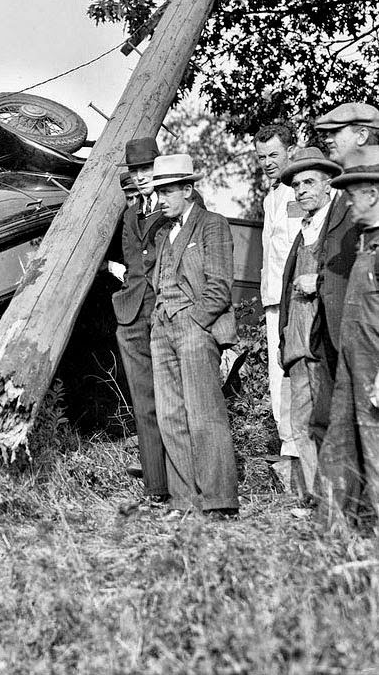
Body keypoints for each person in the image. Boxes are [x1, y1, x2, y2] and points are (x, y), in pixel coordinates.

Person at [149, 153, 239, 516]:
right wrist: (159, 322)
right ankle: (186, 501)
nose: (161, 199)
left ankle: (219, 501)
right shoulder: (160, 234)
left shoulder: (212, 224)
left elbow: (219, 286)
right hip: (161, 328)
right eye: (159, 192)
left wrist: (196, 322)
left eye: (168, 191)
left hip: (193, 326)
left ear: (188, 189)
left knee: (204, 413)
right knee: (170, 417)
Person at [309, 104, 379, 434]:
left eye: (336, 133)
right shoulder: (345, 185)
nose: (328, 141)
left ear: (363, 134)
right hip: (339, 332)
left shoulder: (370, 185)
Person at [316, 164, 379, 524]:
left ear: (372, 194)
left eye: (353, 195)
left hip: (373, 371)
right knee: (338, 446)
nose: (348, 204)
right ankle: (333, 532)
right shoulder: (366, 243)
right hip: (351, 367)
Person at [276, 147, 342, 493]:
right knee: (301, 423)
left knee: (329, 422)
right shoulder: (303, 230)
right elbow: (287, 290)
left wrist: (317, 282)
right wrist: (284, 339)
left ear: (328, 184)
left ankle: (338, 500)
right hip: (299, 345)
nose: (301, 190)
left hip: (326, 340)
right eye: (296, 185)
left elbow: (347, 280)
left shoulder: (341, 225)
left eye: (309, 183)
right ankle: (317, 499)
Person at [110, 138, 168, 502]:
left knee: (173, 401)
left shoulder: (181, 205)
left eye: (147, 169)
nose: (142, 177)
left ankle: (184, 484)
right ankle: (156, 489)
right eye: (136, 171)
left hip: (166, 313)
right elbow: (133, 265)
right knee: (144, 403)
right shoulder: (130, 215)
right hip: (131, 316)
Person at [253, 124, 303, 485]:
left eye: (274, 155)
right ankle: (289, 451)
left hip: (296, 297)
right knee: (277, 379)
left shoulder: (300, 192)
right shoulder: (270, 198)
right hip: (273, 300)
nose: (268, 163)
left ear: (291, 151)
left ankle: (301, 455)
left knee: (295, 374)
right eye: (262, 157)